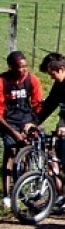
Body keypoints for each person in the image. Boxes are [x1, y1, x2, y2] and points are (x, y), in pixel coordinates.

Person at [0, 51, 42, 206]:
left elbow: (38, 105)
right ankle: (7, 194)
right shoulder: (3, 81)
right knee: (10, 152)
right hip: (8, 121)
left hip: (26, 120)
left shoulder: (32, 80)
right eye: (20, 67)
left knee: (27, 152)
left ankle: (23, 188)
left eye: (25, 66)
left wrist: (33, 124)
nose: (24, 70)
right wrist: (14, 132)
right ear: (11, 67)